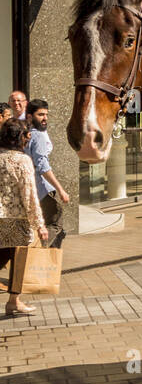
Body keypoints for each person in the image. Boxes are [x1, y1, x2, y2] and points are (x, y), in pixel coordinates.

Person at [0, 117, 49, 316]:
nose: (28, 138)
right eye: (26, 134)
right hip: (17, 219)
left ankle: (14, 302)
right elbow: (29, 194)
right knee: (19, 261)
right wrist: (40, 224)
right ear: (20, 138)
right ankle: (13, 301)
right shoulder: (22, 161)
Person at [25, 99, 69, 246]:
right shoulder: (37, 136)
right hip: (43, 190)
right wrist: (60, 189)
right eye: (41, 115)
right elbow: (43, 167)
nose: (45, 118)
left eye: (46, 115)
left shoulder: (26, 135)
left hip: (31, 190)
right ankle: (35, 252)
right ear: (30, 116)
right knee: (55, 221)